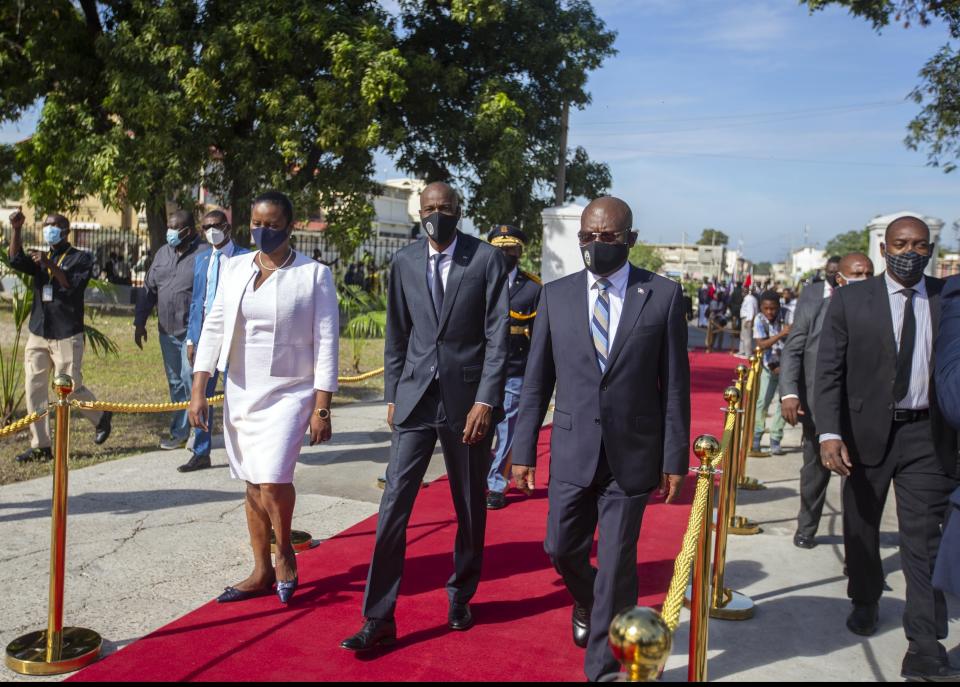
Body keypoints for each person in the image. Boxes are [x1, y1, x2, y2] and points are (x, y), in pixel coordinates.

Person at [512, 196, 690, 682]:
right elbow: (536, 381)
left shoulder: (663, 295)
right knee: (559, 547)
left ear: (630, 239)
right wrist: (522, 449)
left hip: (632, 456)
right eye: (587, 236)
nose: (595, 244)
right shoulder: (556, 295)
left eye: (607, 237)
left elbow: (674, 385)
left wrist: (675, 458)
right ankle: (591, 603)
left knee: (616, 566)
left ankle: (604, 669)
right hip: (572, 450)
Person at [340, 182, 508, 652]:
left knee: (469, 505)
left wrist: (487, 400)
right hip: (415, 400)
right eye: (429, 207)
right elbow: (398, 333)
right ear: (419, 211)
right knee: (394, 506)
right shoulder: (406, 261)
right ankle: (378, 616)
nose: (437, 214)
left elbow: (497, 337)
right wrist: (393, 393)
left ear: (459, 211)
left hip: (469, 404)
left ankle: (461, 593)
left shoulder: (486, 259)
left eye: (445, 208)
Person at [817, 216, 960, 681]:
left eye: (920, 245)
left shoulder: (947, 300)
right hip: (862, 435)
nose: (910, 252)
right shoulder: (851, 299)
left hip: (927, 435)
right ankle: (864, 595)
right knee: (862, 524)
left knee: (923, 539)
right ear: (883, 247)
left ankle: (923, 643)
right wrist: (829, 433)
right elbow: (829, 373)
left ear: (931, 249)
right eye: (901, 243)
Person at [188, 191, 338, 606]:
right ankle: (260, 570)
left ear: (290, 227)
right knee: (252, 481)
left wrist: (322, 407)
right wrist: (199, 390)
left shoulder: (314, 275)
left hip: (291, 392)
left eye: (272, 224)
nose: (262, 230)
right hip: (241, 389)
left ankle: (285, 552)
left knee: (272, 477)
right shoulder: (235, 268)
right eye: (256, 222)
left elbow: (326, 344)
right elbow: (214, 328)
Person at [779, 253, 874, 549]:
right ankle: (807, 527)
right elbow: (793, 351)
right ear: (839, 279)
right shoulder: (815, 308)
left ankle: (857, 551)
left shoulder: (881, 313)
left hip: (863, 413)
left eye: (869, 274)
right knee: (815, 474)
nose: (865, 280)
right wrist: (790, 393)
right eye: (858, 274)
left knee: (859, 482)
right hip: (820, 409)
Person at [6, 209, 112, 462]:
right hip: (39, 331)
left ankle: (101, 417)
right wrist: (17, 229)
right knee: (35, 389)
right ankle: (41, 445)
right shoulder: (41, 256)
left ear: (66, 231)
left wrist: (49, 264)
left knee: (68, 388)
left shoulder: (80, 259)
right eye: (46, 225)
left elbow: (70, 286)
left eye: (54, 226)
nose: (49, 229)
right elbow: (15, 260)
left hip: (66, 334)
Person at [181, 210, 249, 473]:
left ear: (227, 227)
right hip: (205, 338)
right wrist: (191, 338)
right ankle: (200, 452)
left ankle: (241, 452)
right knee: (200, 396)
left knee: (236, 395)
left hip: (233, 337)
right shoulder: (202, 260)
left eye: (216, 226)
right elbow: (197, 300)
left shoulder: (245, 258)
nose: (211, 231)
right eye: (206, 227)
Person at [134, 210, 208, 450]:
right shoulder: (162, 253)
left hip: (193, 332)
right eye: (169, 227)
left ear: (189, 231)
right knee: (176, 383)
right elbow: (149, 288)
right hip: (167, 330)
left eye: (176, 229)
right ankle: (180, 432)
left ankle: (199, 433)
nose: (171, 233)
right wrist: (140, 322)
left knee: (191, 380)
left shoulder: (205, 253)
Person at [485, 224, 541, 510]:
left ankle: (497, 484)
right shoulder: (478, 281)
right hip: (482, 371)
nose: (506, 253)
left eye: (511, 248)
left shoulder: (532, 287)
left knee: (508, 429)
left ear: (520, 251)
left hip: (516, 369)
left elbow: (539, 336)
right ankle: (480, 475)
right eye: (500, 248)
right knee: (479, 429)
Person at [751, 290, 790, 456]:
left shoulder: (788, 316)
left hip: (787, 367)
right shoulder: (759, 319)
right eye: (765, 308)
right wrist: (781, 334)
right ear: (761, 307)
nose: (769, 312)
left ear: (779, 306)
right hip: (768, 366)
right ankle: (756, 438)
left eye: (773, 308)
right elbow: (761, 345)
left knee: (785, 403)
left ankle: (776, 439)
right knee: (761, 402)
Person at [737, 286, 758, 359]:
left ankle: (747, 353)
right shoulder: (748, 298)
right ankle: (742, 351)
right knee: (743, 336)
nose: (742, 293)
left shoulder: (749, 299)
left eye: (744, 291)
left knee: (747, 337)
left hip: (747, 318)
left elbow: (751, 311)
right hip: (745, 318)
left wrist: (748, 320)